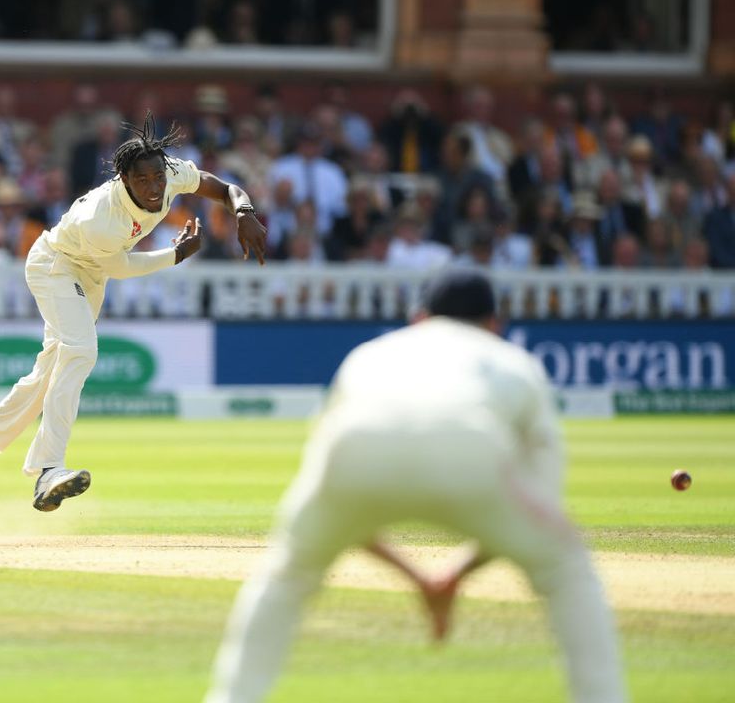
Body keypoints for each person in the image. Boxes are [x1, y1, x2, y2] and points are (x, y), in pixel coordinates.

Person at [205, 269, 625, 703]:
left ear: (420, 318)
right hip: (471, 447)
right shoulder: (515, 362)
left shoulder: (372, 353)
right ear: (494, 324)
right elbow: (543, 500)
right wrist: (453, 576)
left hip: (355, 447)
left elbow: (332, 486)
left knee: (289, 573)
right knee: (565, 569)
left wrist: (418, 578)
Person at [0, 114, 267, 512]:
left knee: (51, 369)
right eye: (143, 181)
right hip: (55, 266)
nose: (154, 189)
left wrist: (243, 211)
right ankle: (48, 469)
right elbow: (122, 268)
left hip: (91, 274)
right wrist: (175, 255)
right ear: (124, 179)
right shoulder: (102, 217)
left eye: (158, 179)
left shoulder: (170, 174)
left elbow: (222, 187)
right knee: (81, 351)